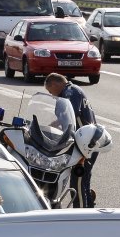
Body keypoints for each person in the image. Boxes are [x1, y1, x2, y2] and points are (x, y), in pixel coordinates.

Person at [44, 73, 98, 207]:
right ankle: (89, 208)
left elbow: (70, 116)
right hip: (89, 141)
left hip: (85, 144)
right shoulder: (74, 89)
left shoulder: (69, 93)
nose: (52, 95)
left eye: (50, 91)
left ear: (55, 84)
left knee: (77, 181)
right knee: (84, 180)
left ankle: (80, 214)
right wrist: (55, 124)